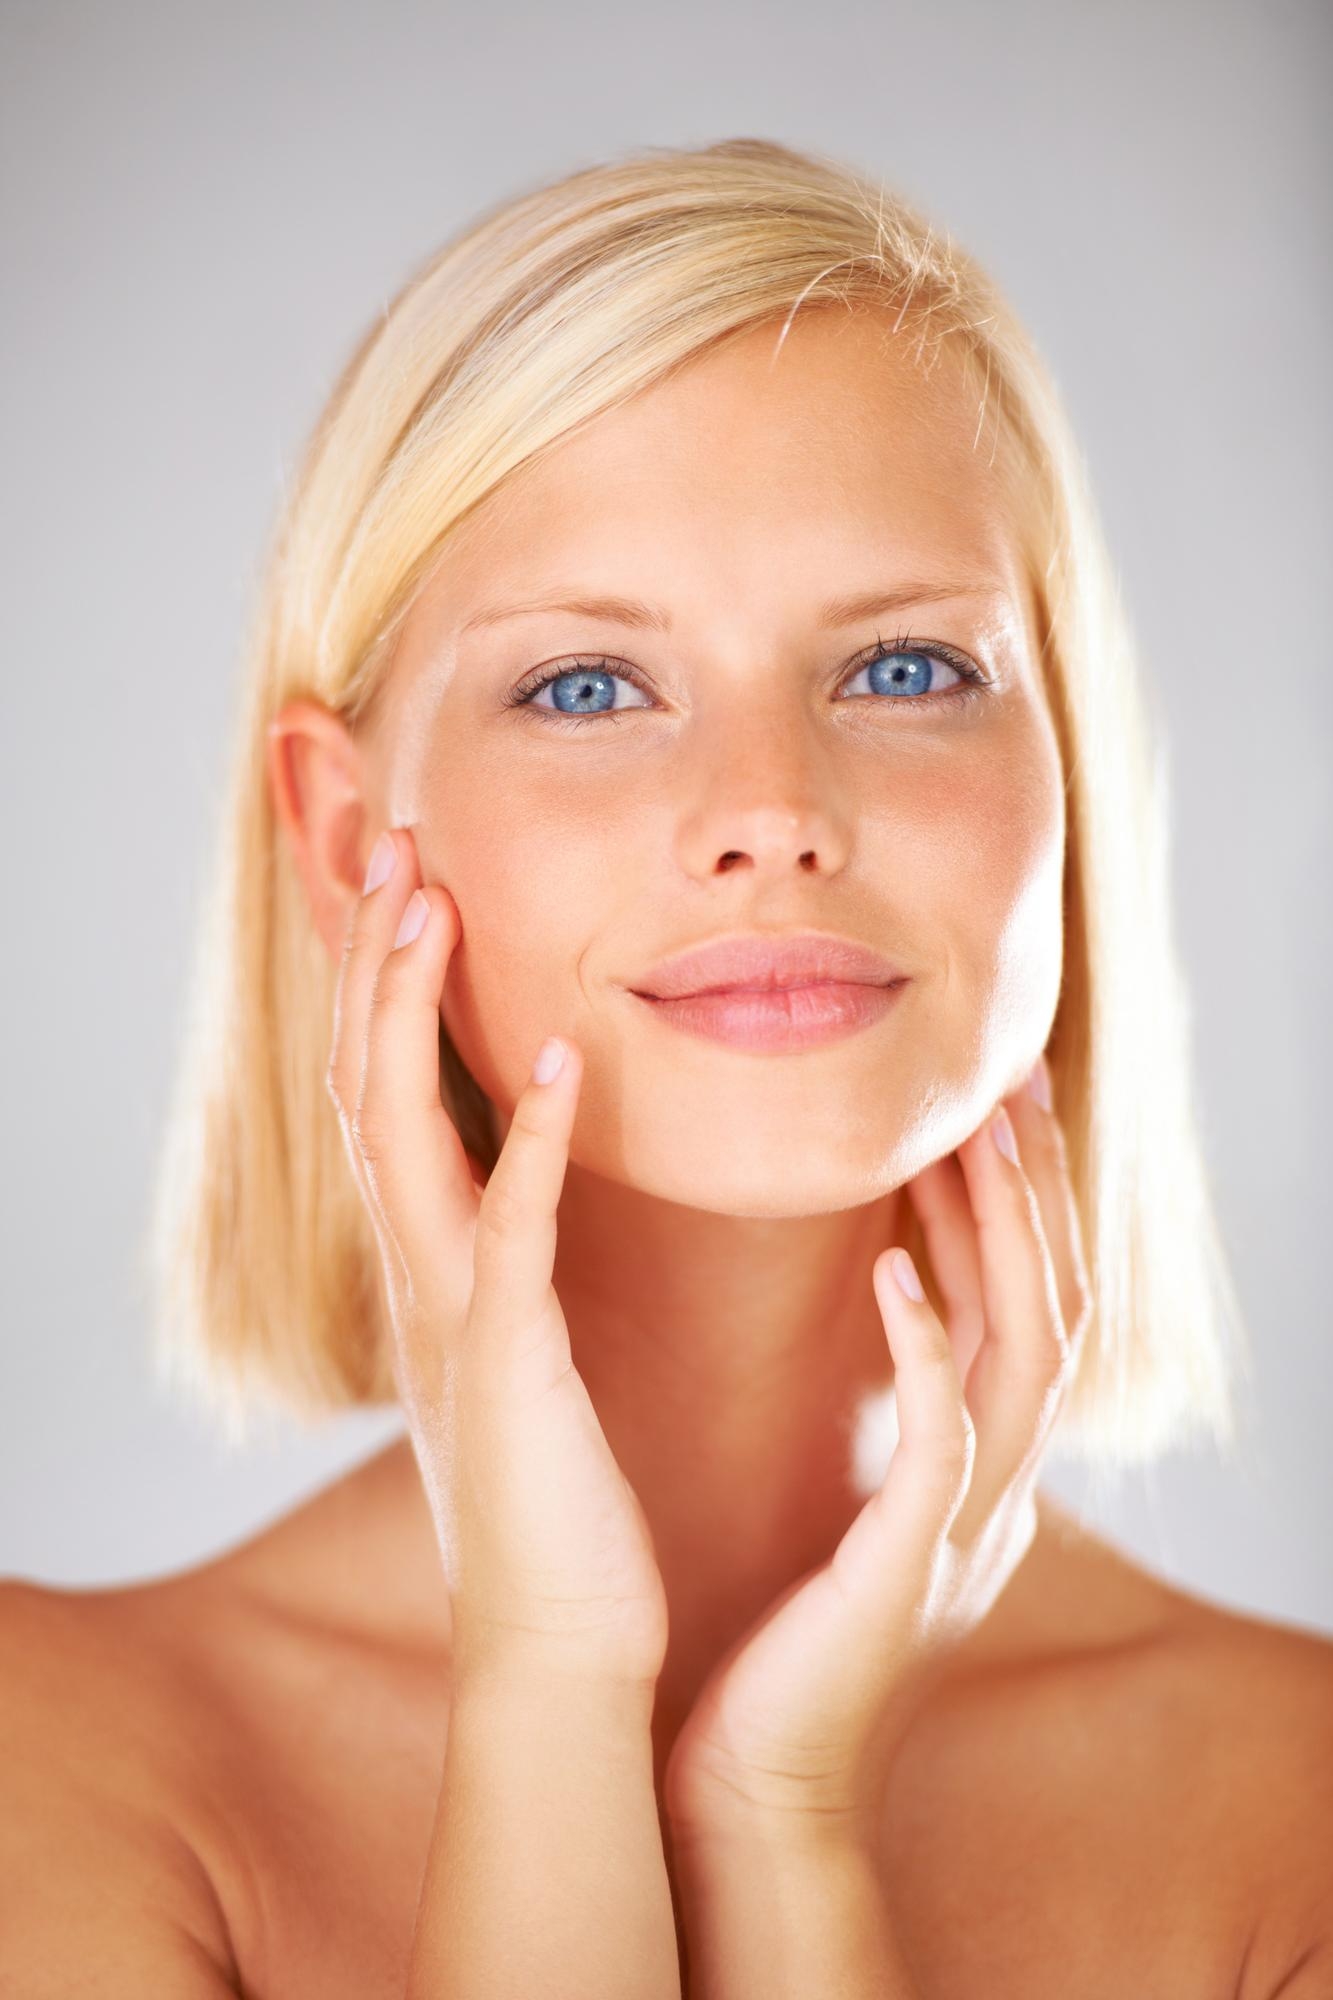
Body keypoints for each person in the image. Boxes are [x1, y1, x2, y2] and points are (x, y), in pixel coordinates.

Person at [2, 136, 1329, 1998]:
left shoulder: (1302, 1806)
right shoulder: (47, 1762)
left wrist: (786, 1829)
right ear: (336, 838)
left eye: (901, 670)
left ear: (1070, 780)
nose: (771, 813)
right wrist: (545, 1673)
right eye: (585, 687)